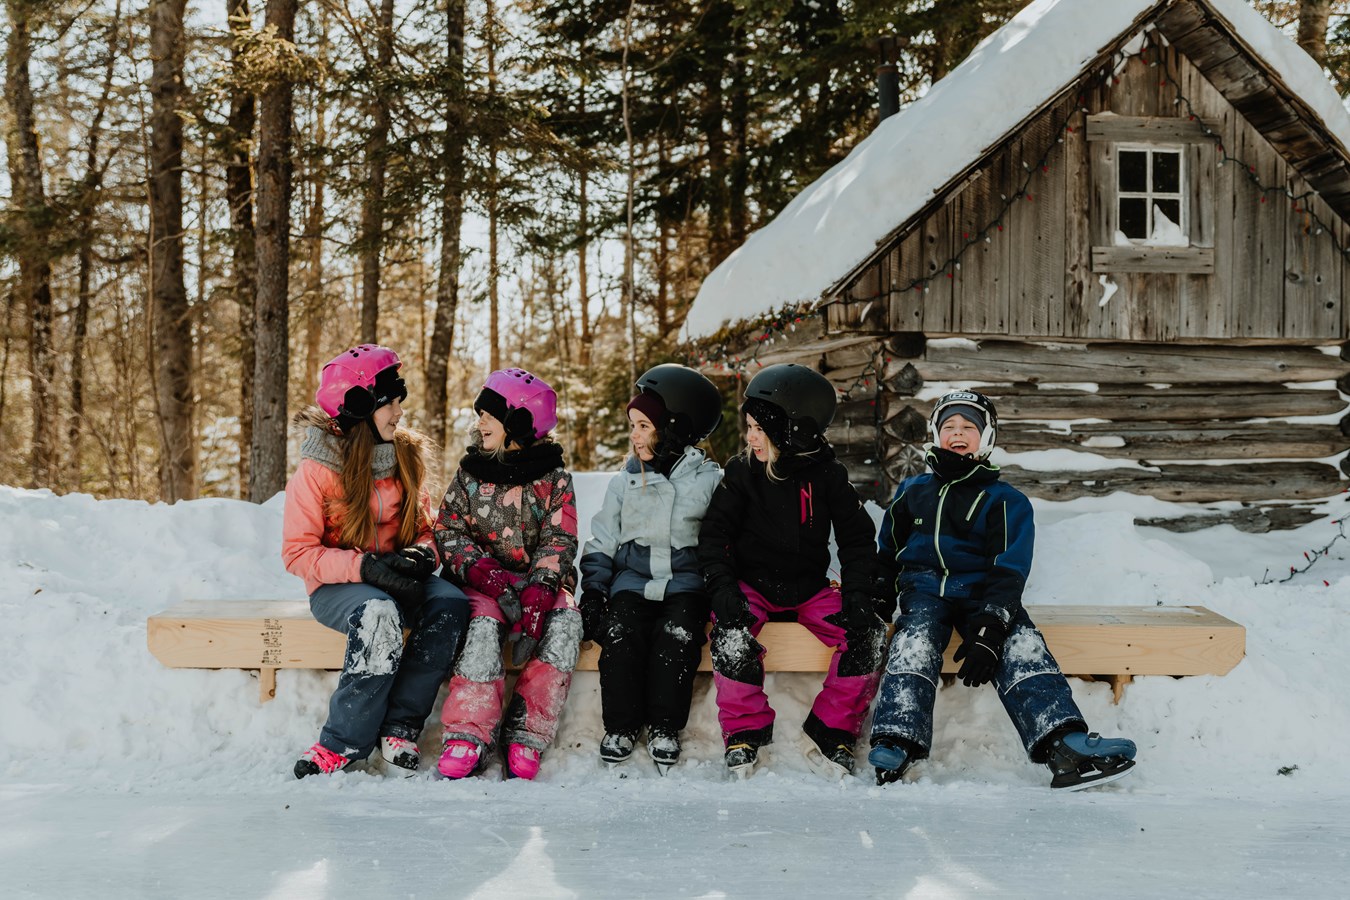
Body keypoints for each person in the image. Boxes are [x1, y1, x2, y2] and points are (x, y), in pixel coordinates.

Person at [868, 389, 1137, 791]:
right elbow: (888, 553)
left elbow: (1009, 571)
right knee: (915, 639)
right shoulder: (912, 492)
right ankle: (896, 737)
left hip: (982, 593)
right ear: (936, 435)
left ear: (987, 437)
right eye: (949, 426)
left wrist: (992, 627)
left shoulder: (1006, 501)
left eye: (969, 427)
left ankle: (1063, 742)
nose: (958, 433)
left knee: (1020, 643)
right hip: (924, 591)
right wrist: (876, 600)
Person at [283, 344, 471, 778]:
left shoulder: (402, 456)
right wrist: (363, 568)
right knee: (378, 613)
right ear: (360, 407)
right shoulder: (317, 470)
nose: (400, 412)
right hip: (339, 586)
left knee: (451, 604)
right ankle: (342, 742)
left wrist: (424, 554)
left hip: (397, 575)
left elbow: (426, 527)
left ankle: (400, 727)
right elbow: (297, 552)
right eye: (391, 403)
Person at [696, 363, 888, 779]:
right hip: (752, 585)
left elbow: (857, 539)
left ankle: (831, 731)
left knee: (869, 634)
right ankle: (744, 732)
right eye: (749, 427)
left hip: (810, 590)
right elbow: (714, 536)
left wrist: (858, 593)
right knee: (731, 632)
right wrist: (723, 588)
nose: (749, 437)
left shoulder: (829, 475)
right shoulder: (742, 472)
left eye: (759, 429)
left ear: (792, 431)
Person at [433, 367, 580, 781]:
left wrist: (541, 587)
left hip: (537, 583)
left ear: (517, 423)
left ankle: (527, 731)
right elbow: (448, 529)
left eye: (489, 415)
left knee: (565, 623)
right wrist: (483, 572)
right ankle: (469, 731)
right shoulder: (470, 474)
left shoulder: (554, 479)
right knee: (481, 627)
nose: (479, 422)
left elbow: (560, 537)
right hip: (483, 583)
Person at [579, 364, 724, 773]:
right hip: (632, 582)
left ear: (673, 429)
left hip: (686, 586)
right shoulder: (625, 481)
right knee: (620, 636)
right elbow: (603, 538)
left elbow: (721, 541)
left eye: (644, 426)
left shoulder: (709, 482)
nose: (635, 435)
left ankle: (664, 725)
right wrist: (594, 591)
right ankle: (621, 725)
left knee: (677, 639)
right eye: (633, 426)